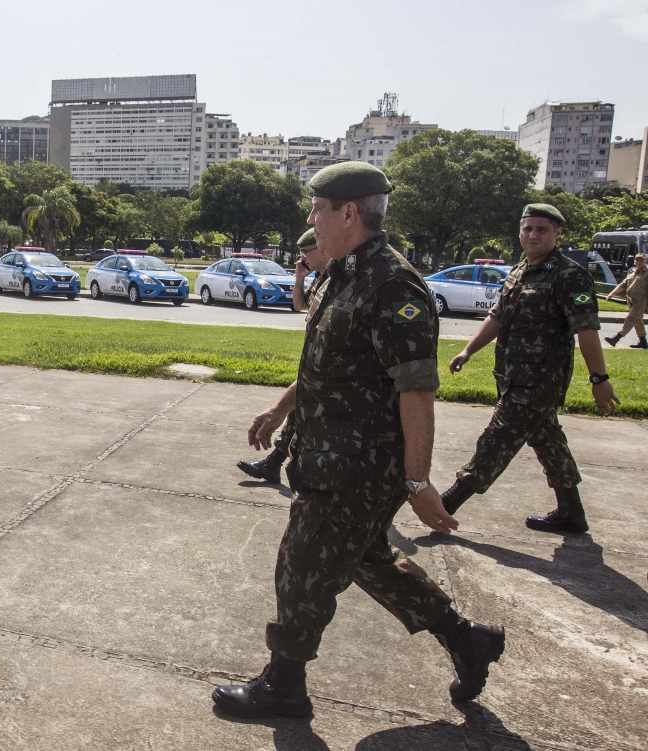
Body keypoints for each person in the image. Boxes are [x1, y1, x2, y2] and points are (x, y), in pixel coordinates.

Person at [213, 162, 504, 720]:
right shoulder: (341, 275)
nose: (309, 218)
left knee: (302, 564)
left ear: (349, 213)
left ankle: (285, 685)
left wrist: (417, 480)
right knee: (370, 561)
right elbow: (330, 365)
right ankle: (468, 639)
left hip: (358, 468)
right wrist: (280, 408)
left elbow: (417, 390)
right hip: (328, 456)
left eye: (316, 209)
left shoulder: (393, 285)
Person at [439, 205, 619, 534]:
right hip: (512, 376)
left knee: (497, 440)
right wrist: (467, 351)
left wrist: (599, 379)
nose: (533, 235)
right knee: (548, 440)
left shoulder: (570, 275)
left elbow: (587, 330)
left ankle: (445, 505)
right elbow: (497, 317)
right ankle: (571, 511)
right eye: (527, 229)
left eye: (542, 229)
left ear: (557, 233)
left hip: (539, 381)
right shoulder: (520, 271)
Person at [237, 228, 330, 483]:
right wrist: (300, 277)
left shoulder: (339, 280)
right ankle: (274, 462)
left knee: (299, 414)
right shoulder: (322, 279)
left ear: (321, 247)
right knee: (297, 411)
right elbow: (300, 304)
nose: (303, 259)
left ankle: (275, 462)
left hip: (327, 379)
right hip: (313, 368)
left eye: (305, 252)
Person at [604, 252, 647, 349]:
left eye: (641, 260)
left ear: (645, 261)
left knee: (630, 319)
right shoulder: (633, 272)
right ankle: (643, 341)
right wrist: (611, 294)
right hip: (631, 301)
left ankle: (615, 338)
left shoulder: (646, 273)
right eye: (637, 260)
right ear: (634, 261)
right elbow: (622, 285)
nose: (639, 262)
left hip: (641, 302)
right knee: (637, 321)